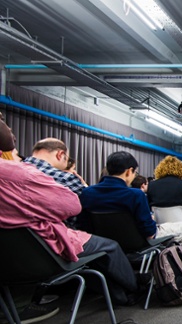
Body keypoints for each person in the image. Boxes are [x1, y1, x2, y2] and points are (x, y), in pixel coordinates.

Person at [0, 116, 141, 306]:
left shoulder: (21, 169)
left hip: (11, 257)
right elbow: (73, 207)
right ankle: (134, 288)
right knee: (105, 247)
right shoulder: (23, 174)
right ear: (60, 155)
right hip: (46, 250)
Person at [78, 151, 182, 255]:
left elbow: (84, 226)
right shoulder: (136, 195)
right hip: (137, 244)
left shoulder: (87, 193)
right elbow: (150, 232)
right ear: (129, 171)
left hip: (102, 244)